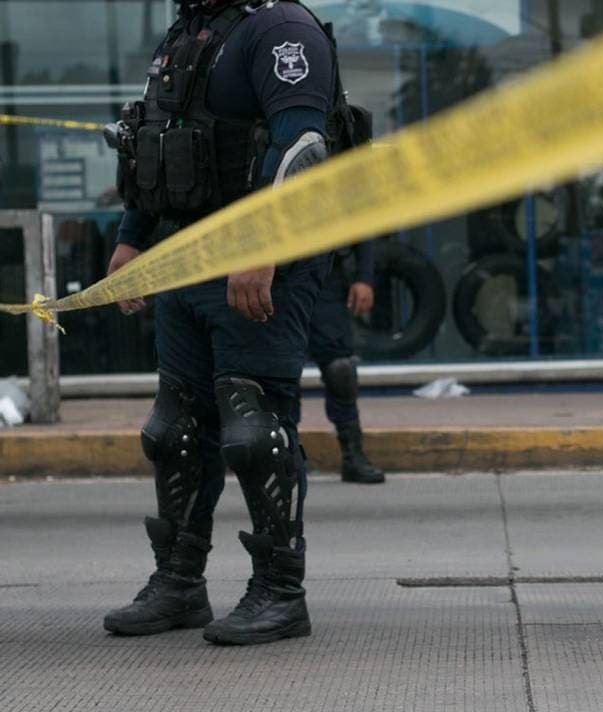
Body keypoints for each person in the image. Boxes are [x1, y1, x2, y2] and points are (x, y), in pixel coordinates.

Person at [101, 0, 340, 646]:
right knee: (175, 427)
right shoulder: (188, 33)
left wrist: (263, 247)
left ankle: (281, 592)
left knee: (251, 423)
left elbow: (302, 146)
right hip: (185, 256)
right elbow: (156, 134)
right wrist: (132, 238)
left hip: (257, 261)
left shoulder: (281, 31)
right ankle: (179, 584)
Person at [309, 243, 387, 484]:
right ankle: (284, 457)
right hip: (274, 279)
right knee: (278, 374)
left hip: (325, 274)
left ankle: (353, 456)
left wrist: (364, 278)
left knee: (340, 370)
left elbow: (360, 229)